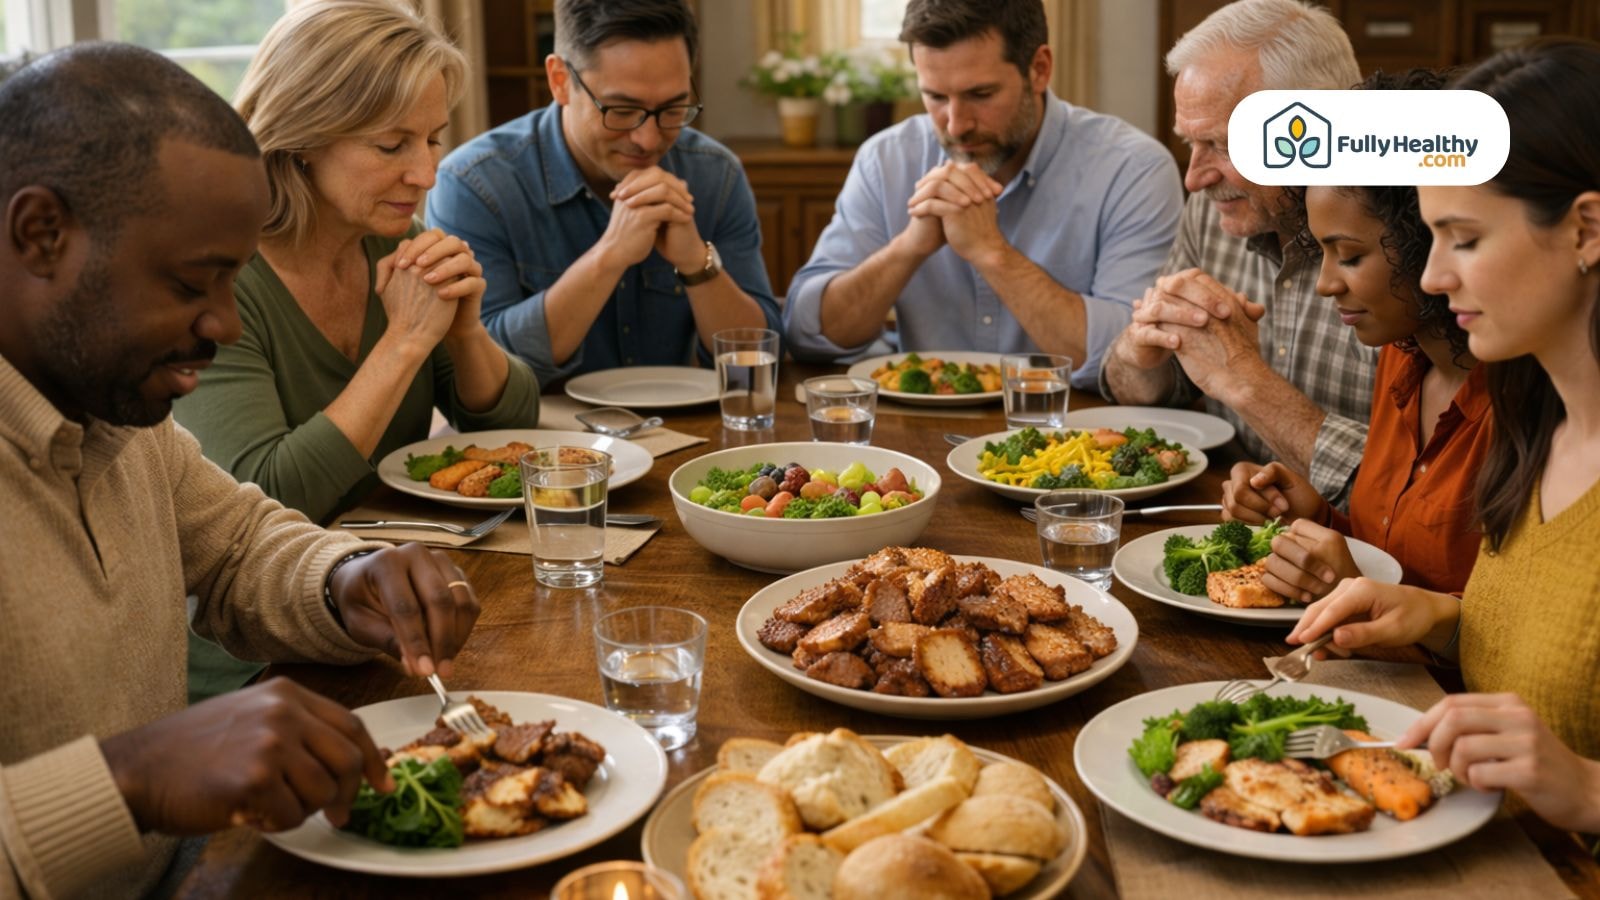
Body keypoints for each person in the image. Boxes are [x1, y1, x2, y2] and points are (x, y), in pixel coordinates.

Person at [0, 44, 483, 898]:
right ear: (40, 234)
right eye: (195, 283)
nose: (225, 324)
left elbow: (237, 547)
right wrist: (128, 779)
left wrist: (346, 580)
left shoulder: (113, 404)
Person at [1289, 38, 1600, 837]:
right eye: (1430, 238)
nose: (1432, 276)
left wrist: (1590, 790)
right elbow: (1555, 658)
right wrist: (1435, 615)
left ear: (1587, 230)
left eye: (1464, 238)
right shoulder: (1541, 427)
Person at [175, 0, 540, 526]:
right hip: (269, 595)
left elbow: (515, 430)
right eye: (391, 145)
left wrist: (464, 336)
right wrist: (404, 342)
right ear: (302, 137)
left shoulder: (395, 242)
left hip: (397, 562)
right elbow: (268, 502)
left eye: (433, 139)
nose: (425, 174)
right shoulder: (212, 280)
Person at [782, 0, 1182, 388]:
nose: (955, 125)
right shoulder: (884, 159)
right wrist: (908, 248)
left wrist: (992, 253)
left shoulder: (1133, 169)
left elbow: (1133, 360)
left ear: (1040, 69)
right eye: (936, 97)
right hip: (913, 436)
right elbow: (806, 333)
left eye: (981, 95)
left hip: (1079, 436)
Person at [1221, 69, 1491, 601]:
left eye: (1350, 256)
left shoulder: (1522, 401)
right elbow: (1389, 554)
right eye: (1320, 252)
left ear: (1425, 239)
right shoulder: (1401, 355)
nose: (1325, 284)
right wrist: (1318, 519)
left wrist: (1355, 587)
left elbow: (1505, 639)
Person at [1099, 0, 1376, 510]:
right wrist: (1139, 357)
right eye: (1190, 143)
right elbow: (1139, 393)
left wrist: (1249, 384)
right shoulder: (1215, 212)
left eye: (1222, 147)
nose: (1194, 177)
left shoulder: (1409, 248)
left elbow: (1425, 498)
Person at [426, 0, 780, 387]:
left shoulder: (715, 174)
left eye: (672, 109)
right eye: (622, 110)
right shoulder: (475, 184)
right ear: (559, 80)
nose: (647, 139)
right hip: (536, 439)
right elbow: (483, 374)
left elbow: (756, 364)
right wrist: (609, 256)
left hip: (685, 433)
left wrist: (697, 262)